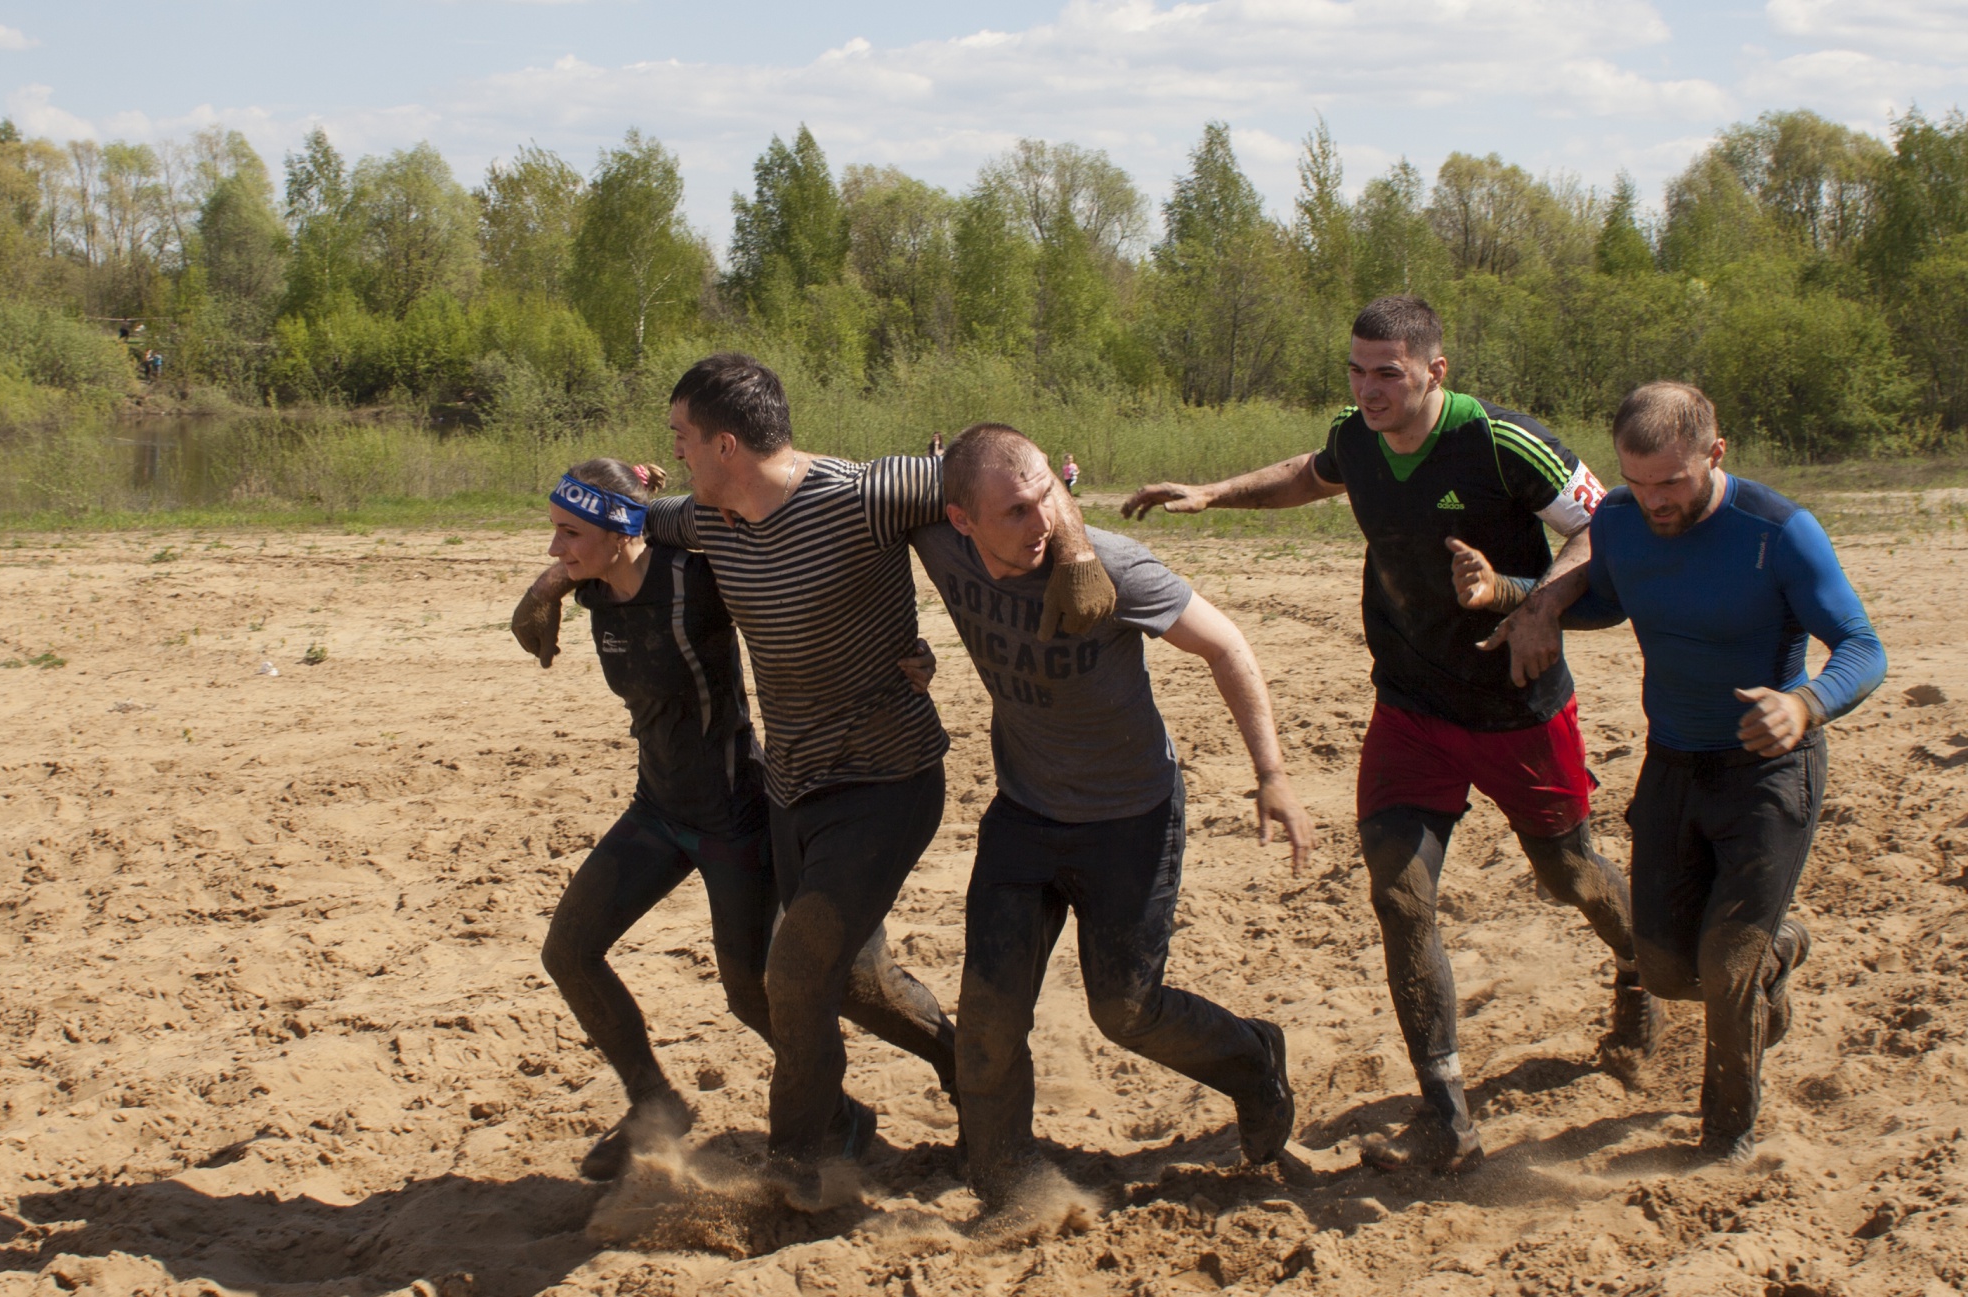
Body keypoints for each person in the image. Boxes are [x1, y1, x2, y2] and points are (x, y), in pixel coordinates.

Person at [514, 353, 1117, 1207]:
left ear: (726, 443)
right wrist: (545, 584)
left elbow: (1016, 468)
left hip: (887, 777)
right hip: (791, 791)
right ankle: (963, 1075)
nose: (675, 452)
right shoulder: (710, 521)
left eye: (683, 437)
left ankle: (797, 1167)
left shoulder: (863, 493)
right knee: (854, 982)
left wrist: (1080, 552)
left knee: (791, 972)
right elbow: (618, 527)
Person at [1122, 295, 1658, 1174]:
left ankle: (1638, 969)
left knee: (1566, 874)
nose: (1368, 390)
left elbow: (1610, 525)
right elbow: (1314, 470)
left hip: (1517, 705)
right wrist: (1214, 491)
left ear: (1433, 372)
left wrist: (1536, 600)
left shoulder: (1499, 442)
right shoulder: (1358, 434)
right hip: (1410, 705)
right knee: (1400, 896)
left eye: (1388, 374)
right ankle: (1444, 1111)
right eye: (1356, 371)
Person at [1462, 381, 1884, 1162]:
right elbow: (1610, 602)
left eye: (1671, 482)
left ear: (1714, 454)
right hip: (1671, 764)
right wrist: (1514, 594)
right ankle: (1779, 949)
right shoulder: (1620, 519)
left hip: (1766, 769)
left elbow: (1862, 645)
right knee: (1662, 967)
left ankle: (1725, 1135)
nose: (1653, 500)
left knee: (1724, 969)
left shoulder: (1778, 532)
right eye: (1637, 479)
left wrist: (1806, 705)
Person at [914, 424, 1315, 1210]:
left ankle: (1251, 1058)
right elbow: (843, 501)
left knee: (1125, 1010)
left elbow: (1227, 646)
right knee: (988, 1021)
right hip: (1023, 811)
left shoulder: (1118, 566)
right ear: (961, 519)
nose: (1038, 523)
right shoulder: (936, 536)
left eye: (1043, 500)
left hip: (1130, 815)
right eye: (1014, 512)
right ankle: (1007, 1182)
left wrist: (1271, 773)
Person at [527, 458, 939, 1183]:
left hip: (735, 816)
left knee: (758, 992)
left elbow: (804, 597)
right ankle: (652, 1100)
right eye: (553, 533)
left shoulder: (697, 576)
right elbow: (561, 573)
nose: (555, 549)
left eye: (568, 533)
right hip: (657, 808)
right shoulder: (592, 582)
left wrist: (895, 651)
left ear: (621, 532)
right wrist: (548, 584)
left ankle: (854, 1107)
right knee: (568, 949)